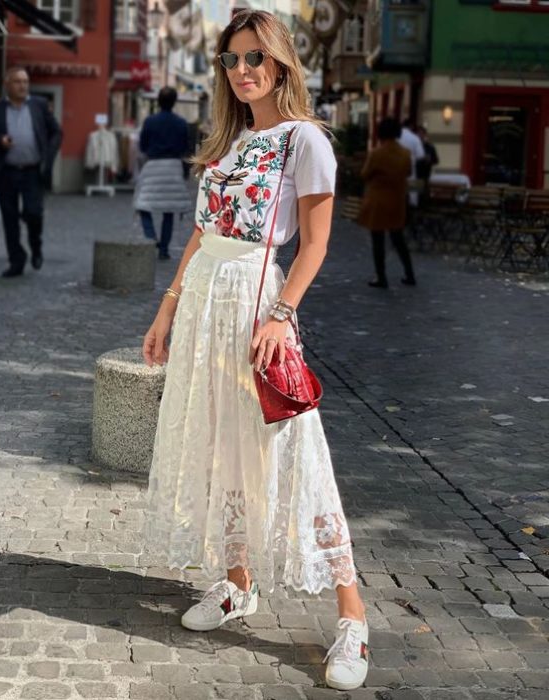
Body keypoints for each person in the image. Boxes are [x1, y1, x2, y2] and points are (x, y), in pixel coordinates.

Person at [141, 10, 369, 692]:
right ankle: (238, 584)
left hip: (255, 304)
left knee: (293, 451)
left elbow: (318, 242)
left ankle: (353, 617)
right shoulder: (227, 141)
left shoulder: (306, 142)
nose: (242, 70)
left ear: (280, 64)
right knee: (218, 444)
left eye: (253, 58)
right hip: (206, 300)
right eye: (232, 59)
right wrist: (167, 307)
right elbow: (200, 234)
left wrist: (281, 313)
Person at [0, 66, 62, 277]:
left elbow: (56, 131)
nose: (23, 86)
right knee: (9, 219)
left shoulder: (38, 105)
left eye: (25, 81)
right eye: (18, 81)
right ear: (7, 85)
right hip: (6, 171)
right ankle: (16, 260)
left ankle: (35, 246)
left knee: (34, 213)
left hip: (32, 171)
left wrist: (48, 157)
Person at [134, 86, 191, 260]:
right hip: (173, 167)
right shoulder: (181, 123)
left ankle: (151, 237)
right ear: (174, 102)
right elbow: (186, 148)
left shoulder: (150, 121)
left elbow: (143, 146)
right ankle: (164, 249)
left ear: (158, 101)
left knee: (142, 205)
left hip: (153, 167)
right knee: (169, 211)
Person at [358, 116, 416, 288]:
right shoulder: (405, 154)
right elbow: (408, 172)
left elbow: (365, 174)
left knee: (378, 241)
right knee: (399, 239)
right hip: (397, 200)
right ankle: (409, 273)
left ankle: (381, 276)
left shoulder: (377, 153)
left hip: (378, 202)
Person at [398, 118, 425, 208]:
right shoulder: (415, 138)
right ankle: (412, 210)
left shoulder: (396, 136)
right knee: (412, 195)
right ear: (411, 126)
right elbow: (420, 156)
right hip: (411, 170)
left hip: (395, 169)